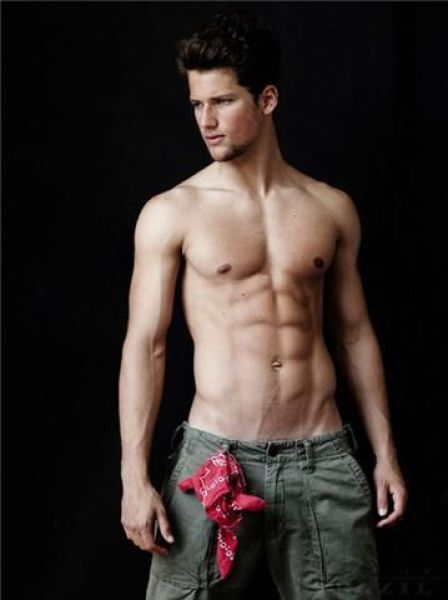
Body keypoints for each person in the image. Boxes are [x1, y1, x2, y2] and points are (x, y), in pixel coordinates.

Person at [119, 8, 408, 600]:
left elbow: (354, 334)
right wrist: (133, 476)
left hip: (323, 459)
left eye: (223, 102)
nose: (206, 121)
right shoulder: (173, 212)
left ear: (267, 99)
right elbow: (145, 346)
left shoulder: (330, 208)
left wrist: (385, 455)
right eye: (197, 105)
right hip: (214, 458)